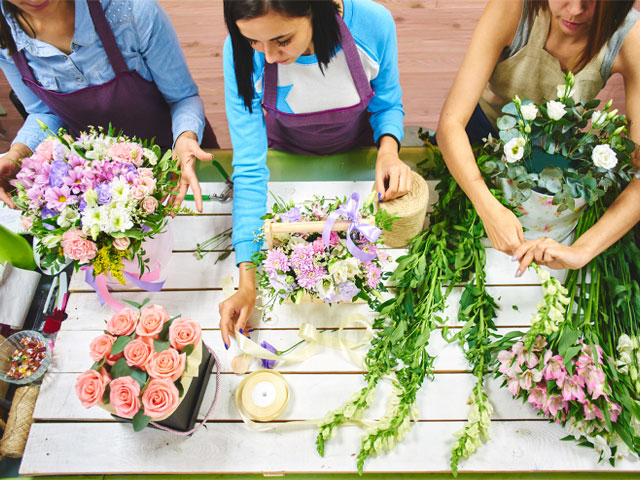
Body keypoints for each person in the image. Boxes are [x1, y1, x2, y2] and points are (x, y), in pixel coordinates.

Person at [220, 0, 410, 347]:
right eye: (253, 43)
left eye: (282, 40)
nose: (270, 56)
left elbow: (387, 103)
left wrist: (388, 149)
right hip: (287, 168)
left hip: (360, 159)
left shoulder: (372, 24)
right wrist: (247, 281)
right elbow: (249, 166)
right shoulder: (239, 52)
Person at [436, 0, 640, 276]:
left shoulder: (629, 37)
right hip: (483, 137)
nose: (575, 10)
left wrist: (582, 251)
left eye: (593, 1)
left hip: (555, 154)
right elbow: (451, 123)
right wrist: (488, 208)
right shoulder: (513, 9)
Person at [0, 0, 219, 212]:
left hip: (176, 159)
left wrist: (185, 137)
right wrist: (17, 153)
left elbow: (182, 98)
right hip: (99, 185)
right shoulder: (4, 34)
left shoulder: (132, 12)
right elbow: (44, 111)